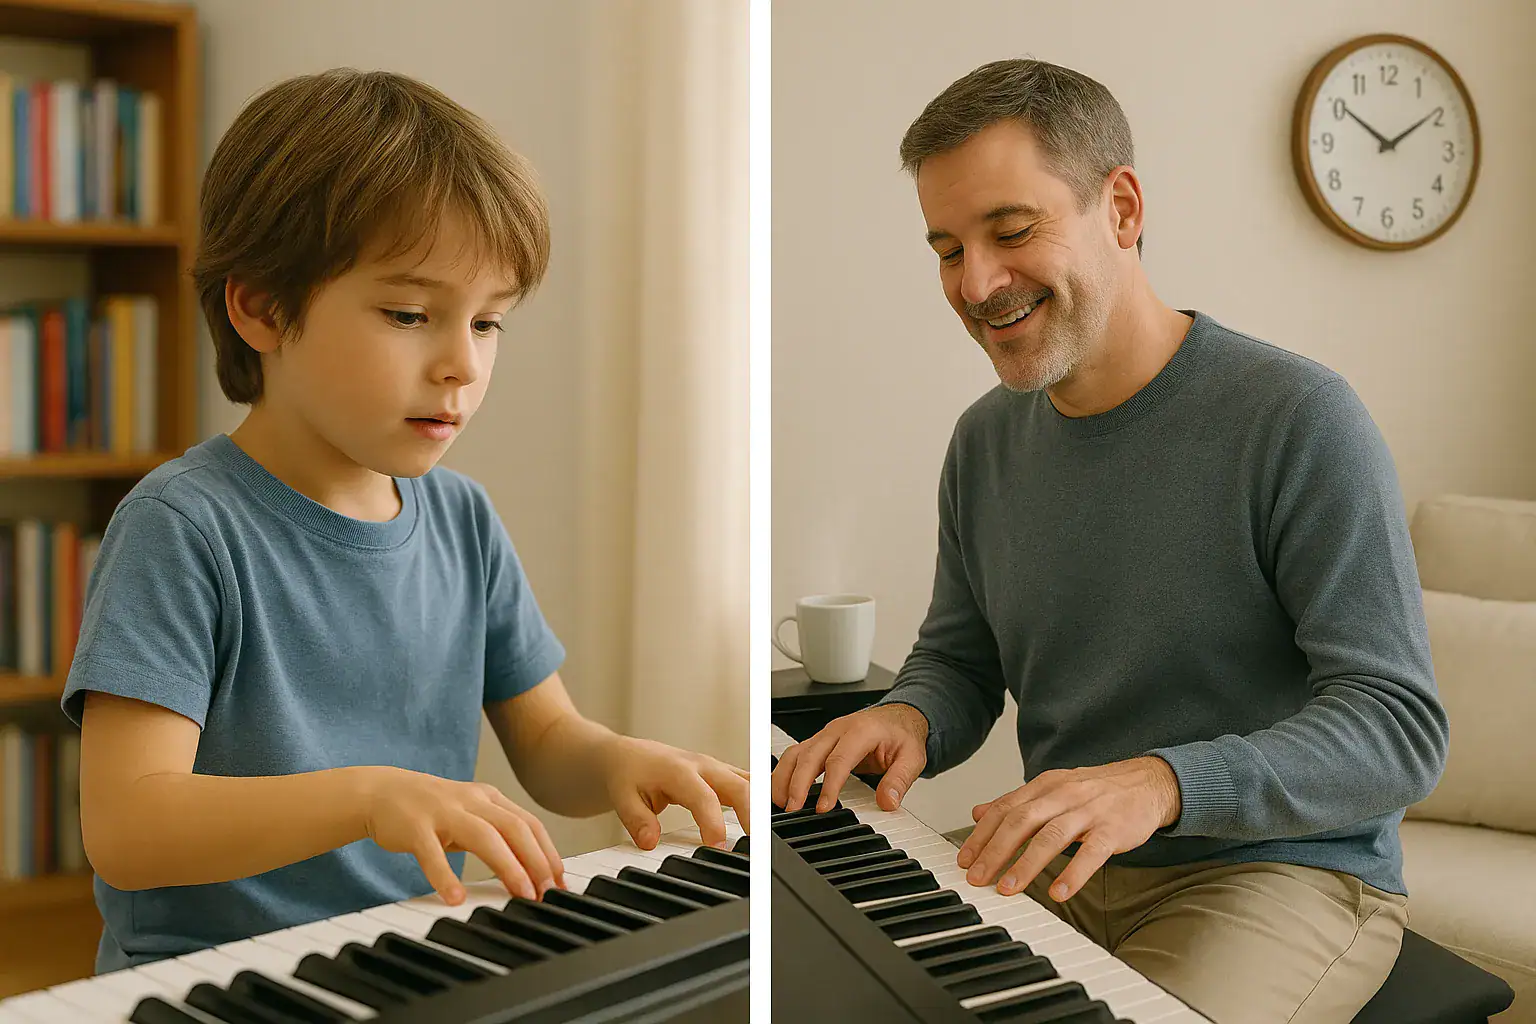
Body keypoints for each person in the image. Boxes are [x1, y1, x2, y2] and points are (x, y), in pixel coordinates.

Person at [770, 58, 1447, 1024]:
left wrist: (1164, 783)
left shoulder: (1298, 419)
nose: (977, 282)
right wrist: (910, 718)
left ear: (1121, 209)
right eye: (947, 248)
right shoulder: (985, 441)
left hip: (1279, 875)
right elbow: (962, 664)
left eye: (1010, 232)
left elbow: (1397, 726)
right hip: (1066, 867)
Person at [64, 68, 748, 973]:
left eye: (490, 323)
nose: (460, 364)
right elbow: (129, 825)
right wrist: (368, 797)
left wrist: (620, 760)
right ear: (262, 307)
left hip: (406, 960)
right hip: (211, 979)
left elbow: (547, 743)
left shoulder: (461, 519)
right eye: (410, 314)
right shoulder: (183, 528)